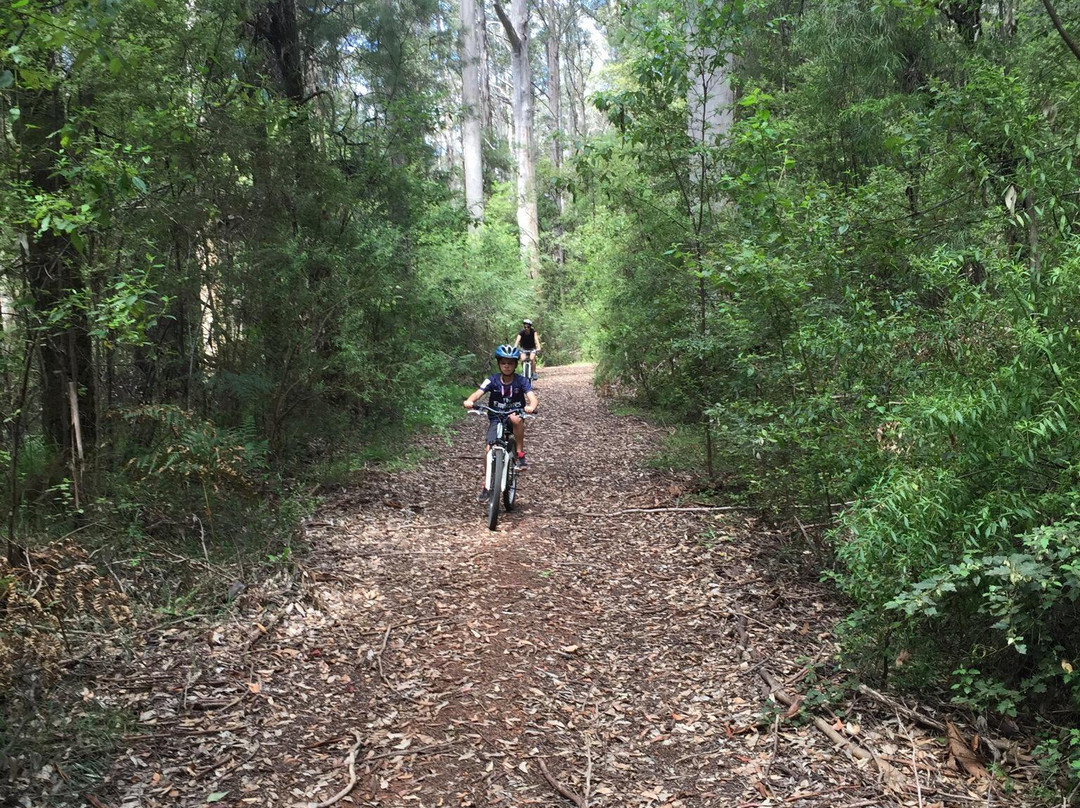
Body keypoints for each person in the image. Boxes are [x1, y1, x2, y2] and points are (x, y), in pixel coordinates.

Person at [463, 344, 539, 501]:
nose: (507, 366)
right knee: (488, 450)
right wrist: (470, 401)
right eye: (503, 363)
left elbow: (532, 397)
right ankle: (487, 485)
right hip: (496, 417)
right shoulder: (492, 380)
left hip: (514, 414)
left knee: (515, 419)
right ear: (498, 364)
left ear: (515, 365)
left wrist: (531, 406)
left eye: (510, 363)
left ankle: (520, 454)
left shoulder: (521, 381)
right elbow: (478, 392)